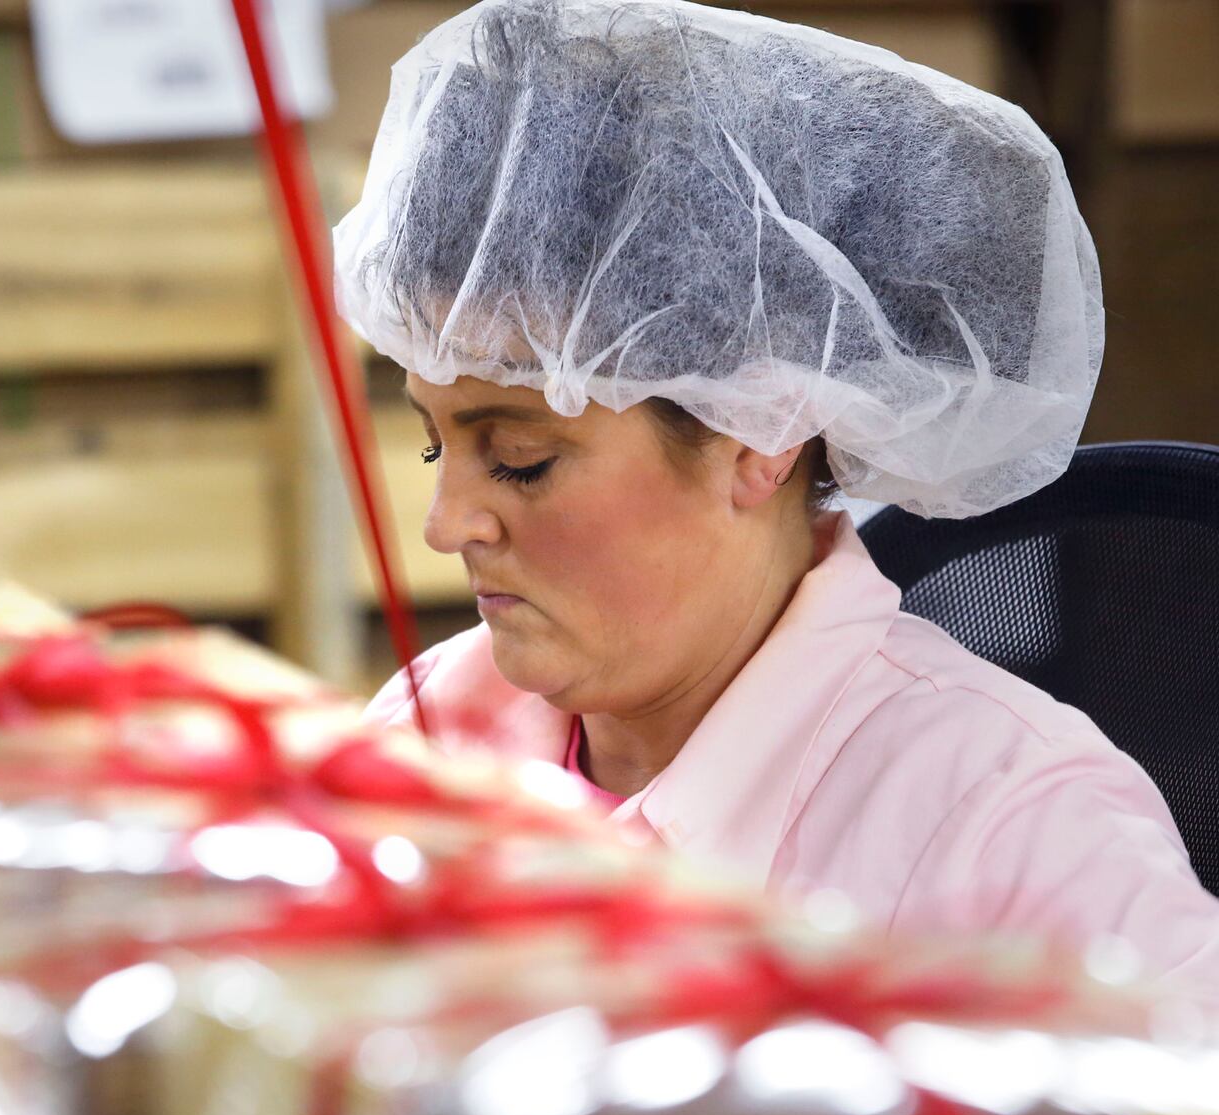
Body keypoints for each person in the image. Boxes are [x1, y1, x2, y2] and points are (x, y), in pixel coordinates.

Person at [335, 0, 1219, 995]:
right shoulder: (433, 728)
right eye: (430, 444)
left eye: (522, 458)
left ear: (758, 434)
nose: (447, 523)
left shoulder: (1006, 827)